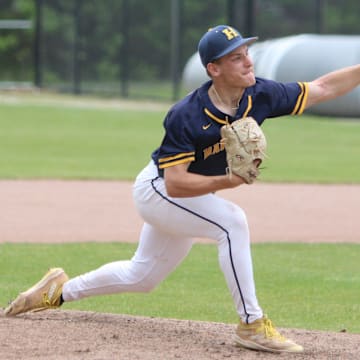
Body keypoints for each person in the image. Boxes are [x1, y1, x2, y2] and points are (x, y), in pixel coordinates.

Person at [4, 25, 360, 354]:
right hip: (157, 190)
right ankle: (251, 324)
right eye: (236, 56)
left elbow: (323, 88)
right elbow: (175, 183)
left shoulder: (260, 93)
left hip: (186, 193)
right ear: (213, 69)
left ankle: (57, 291)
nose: (247, 60)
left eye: (246, 52)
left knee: (142, 276)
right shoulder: (187, 114)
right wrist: (228, 181)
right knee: (231, 223)